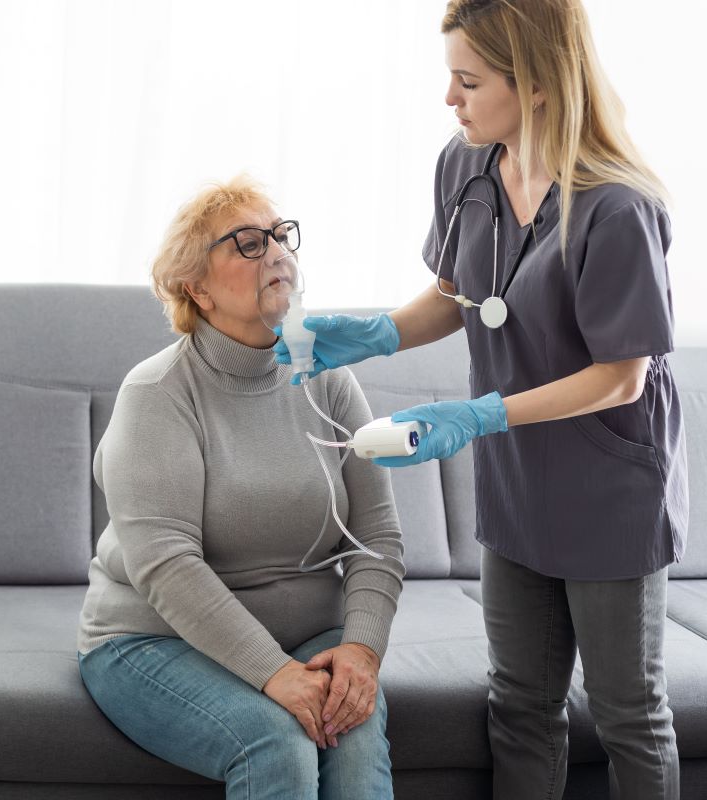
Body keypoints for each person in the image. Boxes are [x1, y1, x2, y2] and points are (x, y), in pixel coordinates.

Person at [277, 2, 686, 798]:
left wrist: (480, 414)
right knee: (521, 705)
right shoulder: (464, 166)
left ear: (534, 84)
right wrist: (380, 333)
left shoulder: (617, 205)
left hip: (610, 490)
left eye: (468, 81)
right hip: (517, 485)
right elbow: (459, 296)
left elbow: (622, 375)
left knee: (629, 714)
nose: (450, 100)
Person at [76, 175, 406, 800]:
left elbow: (378, 537)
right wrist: (273, 673)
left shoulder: (330, 379)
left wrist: (361, 650)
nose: (277, 251)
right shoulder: (157, 393)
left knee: (355, 746)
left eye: (281, 236)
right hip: (152, 640)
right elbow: (167, 566)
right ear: (196, 288)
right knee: (276, 741)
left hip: (312, 636)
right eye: (248, 243)